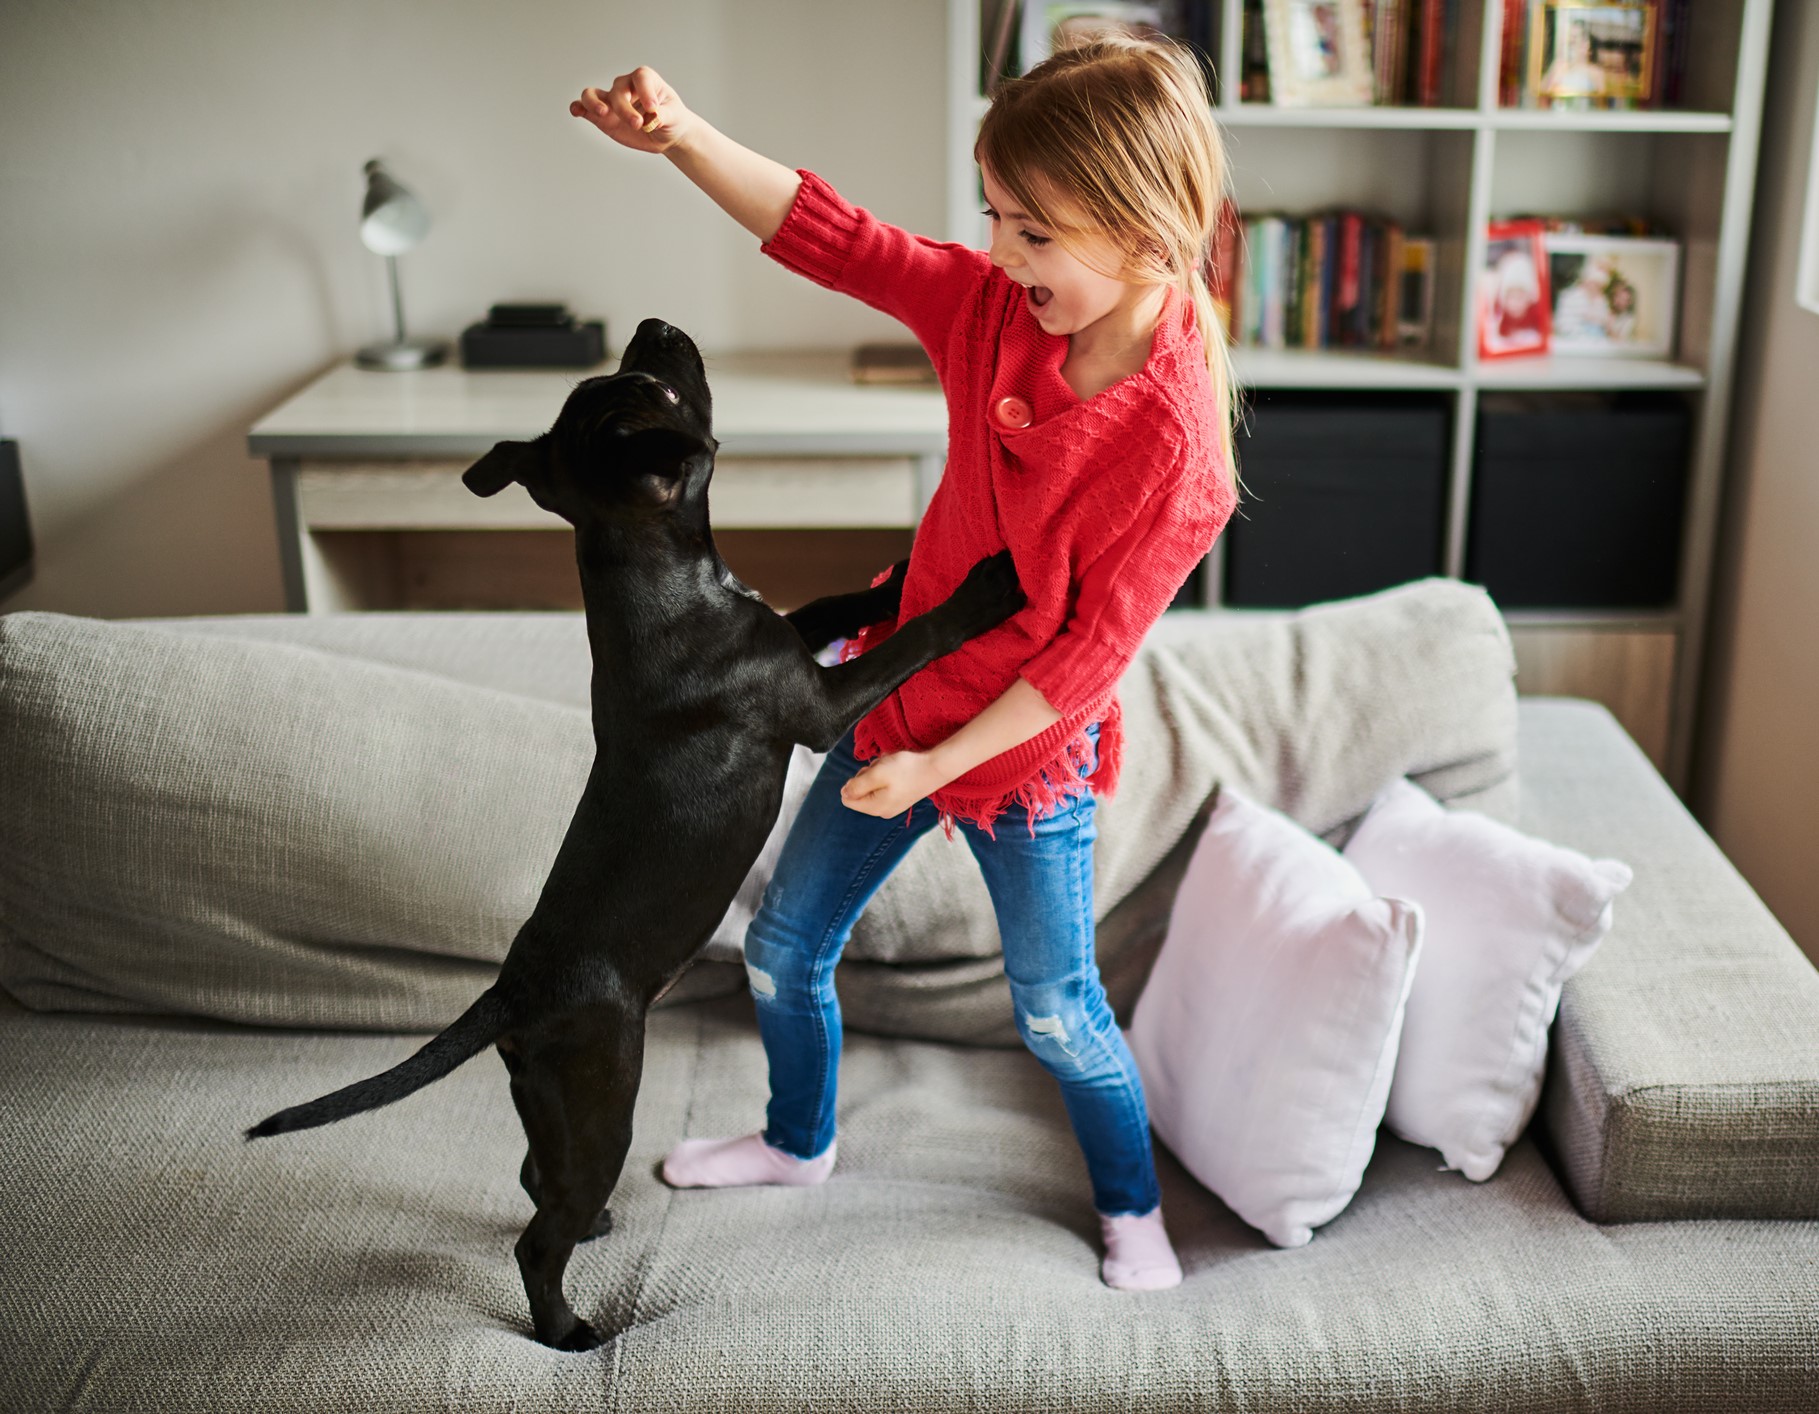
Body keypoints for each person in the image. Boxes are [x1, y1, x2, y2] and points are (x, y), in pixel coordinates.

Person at [569, 32, 1240, 1292]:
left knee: (1056, 1010)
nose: (1001, 253)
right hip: (901, 696)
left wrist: (940, 767)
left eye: (1032, 231)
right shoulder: (993, 308)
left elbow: (1086, 659)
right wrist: (683, 138)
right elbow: (843, 239)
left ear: (1145, 235)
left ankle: (1132, 1204)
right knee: (781, 950)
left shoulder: (1178, 453)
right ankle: (797, 1143)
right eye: (995, 217)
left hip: (1026, 754)